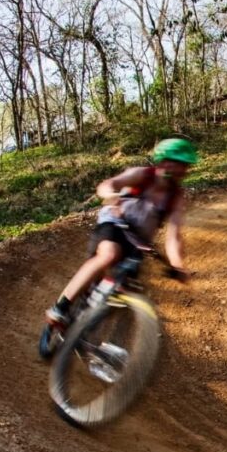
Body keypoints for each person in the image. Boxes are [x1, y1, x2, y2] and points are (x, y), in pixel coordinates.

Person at [44, 138, 197, 328]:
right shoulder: (141, 175)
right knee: (109, 254)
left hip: (138, 242)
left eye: (185, 166)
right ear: (164, 161)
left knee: (129, 286)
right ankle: (61, 307)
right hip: (115, 225)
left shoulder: (175, 197)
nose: (183, 170)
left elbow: (174, 235)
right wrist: (111, 195)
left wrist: (177, 264)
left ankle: (97, 336)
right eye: (179, 164)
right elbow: (108, 184)